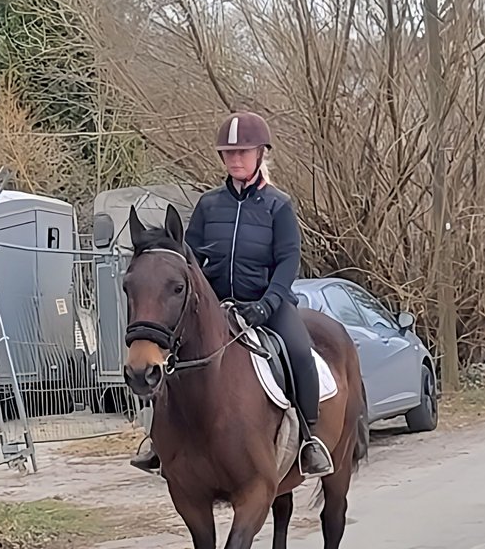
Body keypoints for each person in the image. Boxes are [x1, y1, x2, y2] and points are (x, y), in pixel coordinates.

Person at [131, 110, 335, 478]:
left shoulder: (279, 206)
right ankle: (157, 440)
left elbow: (288, 263)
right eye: (229, 153)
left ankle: (308, 439)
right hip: (217, 305)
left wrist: (266, 305)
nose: (236, 159)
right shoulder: (209, 205)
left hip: (268, 305)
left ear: (261, 154)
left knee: (301, 353)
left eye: (244, 152)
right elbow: (187, 259)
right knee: (171, 357)